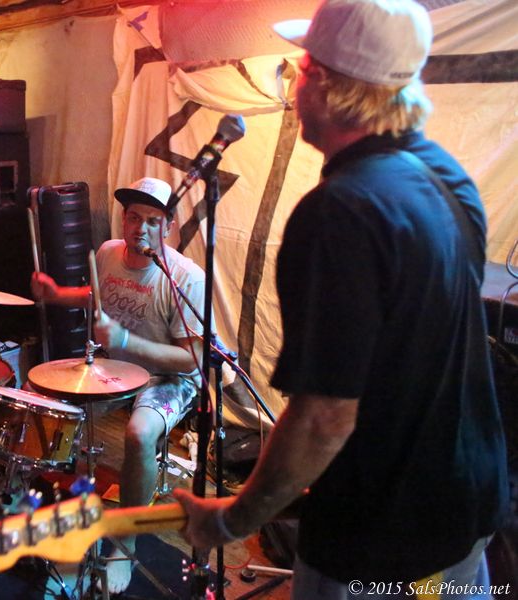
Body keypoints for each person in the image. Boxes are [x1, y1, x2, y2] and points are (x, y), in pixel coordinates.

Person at [173, 1, 509, 597]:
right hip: (467, 507)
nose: (294, 84)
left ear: (325, 84)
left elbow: (325, 418)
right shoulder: (448, 178)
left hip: (379, 541)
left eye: (300, 69)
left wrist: (232, 520)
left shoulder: (339, 212)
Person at [31, 177, 206, 594]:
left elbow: (193, 359)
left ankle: (126, 544)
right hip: (119, 368)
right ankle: (34, 503)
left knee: (140, 433)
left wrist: (125, 340)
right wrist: (57, 294)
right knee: (48, 403)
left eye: (152, 221)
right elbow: (97, 294)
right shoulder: (109, 253)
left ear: (168, 226)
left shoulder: (186, 278)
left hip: (170, 377)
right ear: (124, 219)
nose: (140, 228)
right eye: (133, 218)